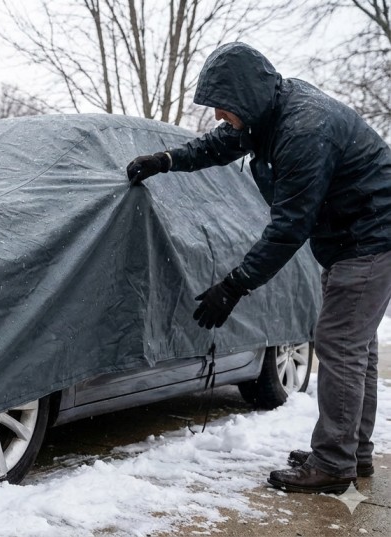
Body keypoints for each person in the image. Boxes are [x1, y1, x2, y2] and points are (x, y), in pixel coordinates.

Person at [127, 42, 391, 494]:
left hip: (370, 239)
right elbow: (221, 144)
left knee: (340, 345)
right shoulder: (270, 112)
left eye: (222, 107)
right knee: (355, 348)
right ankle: (350, 451)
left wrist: (232, 287)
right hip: (352, 238)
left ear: (247, 97)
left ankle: (333, 464)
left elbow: (288, 229)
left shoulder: (305, 130)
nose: (217, 116)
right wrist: (166, 160)